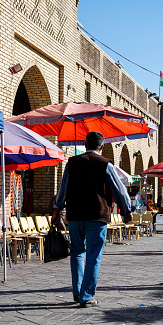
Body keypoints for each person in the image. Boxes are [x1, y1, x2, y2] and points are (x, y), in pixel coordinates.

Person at [52, 132, 132, 308]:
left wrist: (57, 209)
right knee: (93, 256)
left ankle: (77, 292)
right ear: (101, 147)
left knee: (77, 252)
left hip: (75, 216)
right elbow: (119, 190)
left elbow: (63, 188)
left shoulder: (71, 163)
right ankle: (87, 296)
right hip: (97, 215)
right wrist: (126, 211)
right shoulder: (105, 164)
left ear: (84, 144)